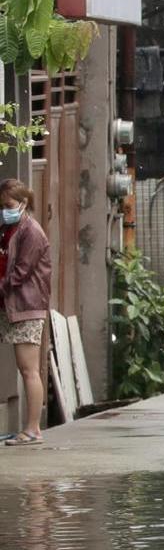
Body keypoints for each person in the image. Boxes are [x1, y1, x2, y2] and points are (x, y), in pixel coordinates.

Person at [0, 180, 49, 447]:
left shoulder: (32, 232)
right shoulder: (10, 228)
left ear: (23, 203)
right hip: (12, 305)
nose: (4, 211)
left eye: (8, 206)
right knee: (25, 367)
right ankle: (30, 429)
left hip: (27, 307)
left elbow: (19, 273)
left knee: (29, 369)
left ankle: (33, 429)